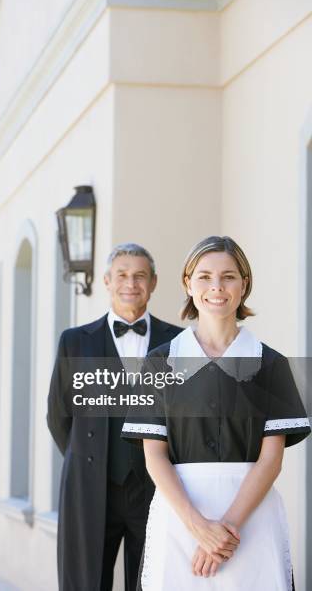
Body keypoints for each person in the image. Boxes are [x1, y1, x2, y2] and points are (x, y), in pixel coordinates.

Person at [121, 235, 311, 590]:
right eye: (205, 276)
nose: (216, 287)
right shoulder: (159, 362)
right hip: (179, 520)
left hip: (252, 522)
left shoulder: (271, 364)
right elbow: (155, 457)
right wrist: (198, 528)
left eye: (228, 276)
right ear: (188, 283)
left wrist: (226, 532)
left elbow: (271, 460)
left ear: (244, 285)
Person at [47, 243, 182, 591]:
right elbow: (59, 415)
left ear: (153, 283)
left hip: (155, 488)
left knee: (155, 580)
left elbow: (185, 417)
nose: (130, 283)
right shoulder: (74, 342)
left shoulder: (181, 342)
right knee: (85, 581)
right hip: (91, 487)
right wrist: (89, 462)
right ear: (107, 280)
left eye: (140, 275)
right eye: (122, 274)